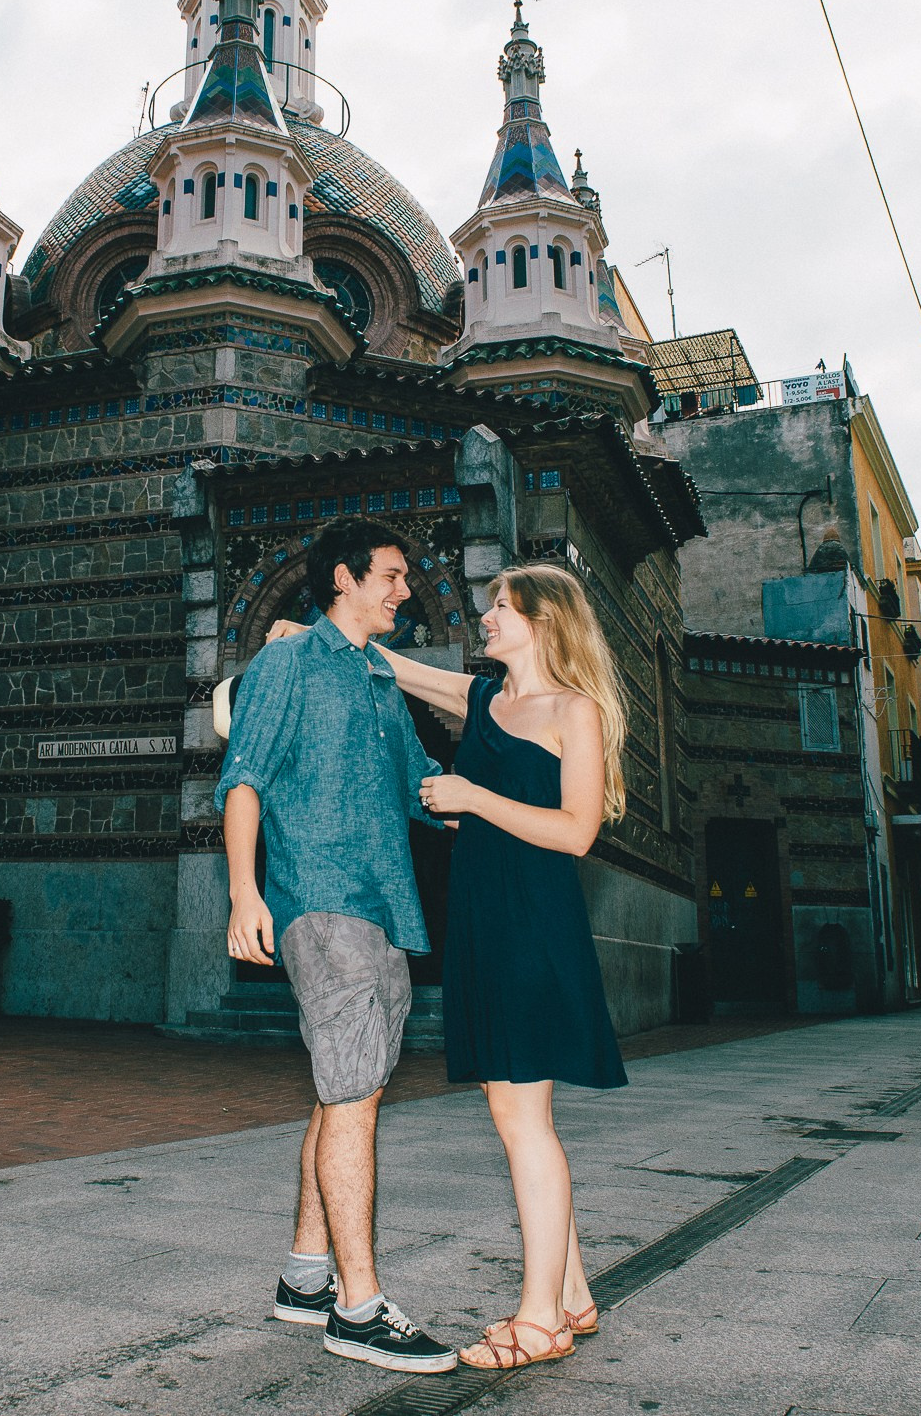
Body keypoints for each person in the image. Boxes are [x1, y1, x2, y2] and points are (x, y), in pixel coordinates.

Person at [267, 562, 625, 1373]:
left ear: (543, 621)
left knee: (523, 1118)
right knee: (516, 1110)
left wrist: (472, 797)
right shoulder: (481, 698)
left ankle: (540, 1319)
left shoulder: (573, 709)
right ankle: (572, 1292)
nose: (487, 615)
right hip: (485, 921)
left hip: (534, 921)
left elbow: (577, 830)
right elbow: (390, 663)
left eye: (502, 606)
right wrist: (311, 636)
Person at [217, 517, 460, 1376]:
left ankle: (305, 1277)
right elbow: (243, 777)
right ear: (345, 579)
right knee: (354, 1095)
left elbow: (424, 788)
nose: (404, 588)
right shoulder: (286, 663)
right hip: (320, 901)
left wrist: (513, 801)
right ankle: (358, 1310)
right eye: (390, 574)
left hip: (386, 907)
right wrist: (245, 891)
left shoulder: (380, 678)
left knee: (345, 1091)